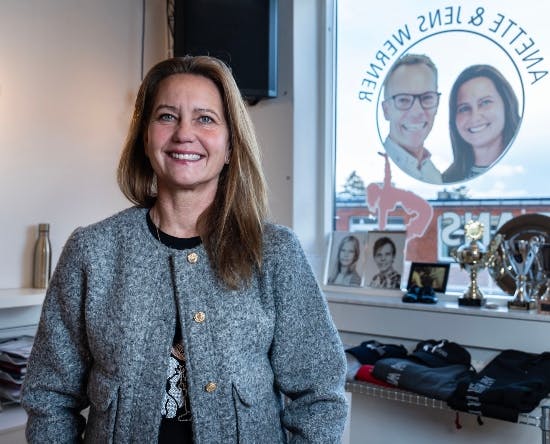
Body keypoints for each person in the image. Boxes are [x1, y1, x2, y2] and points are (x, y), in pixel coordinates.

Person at [21, 56, 348, 443]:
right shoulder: (92, 252)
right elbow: (48, 396)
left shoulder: (274, 253)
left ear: (230, 146)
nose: (184, 134)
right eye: (166, 116)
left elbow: (320, 396)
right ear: (145, 137)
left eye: (205, 119)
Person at [443, 64, 520, 183]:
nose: (475, 116)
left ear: (507, 104)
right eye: (464, 108)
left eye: (485, 103)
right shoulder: (445, 182)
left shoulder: (531, 169)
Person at [381, 53, 443, 184]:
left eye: (427, 98)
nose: (417, 112)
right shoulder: (377, 170)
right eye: (403, 100)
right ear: (386, 110)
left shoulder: (434, 176)